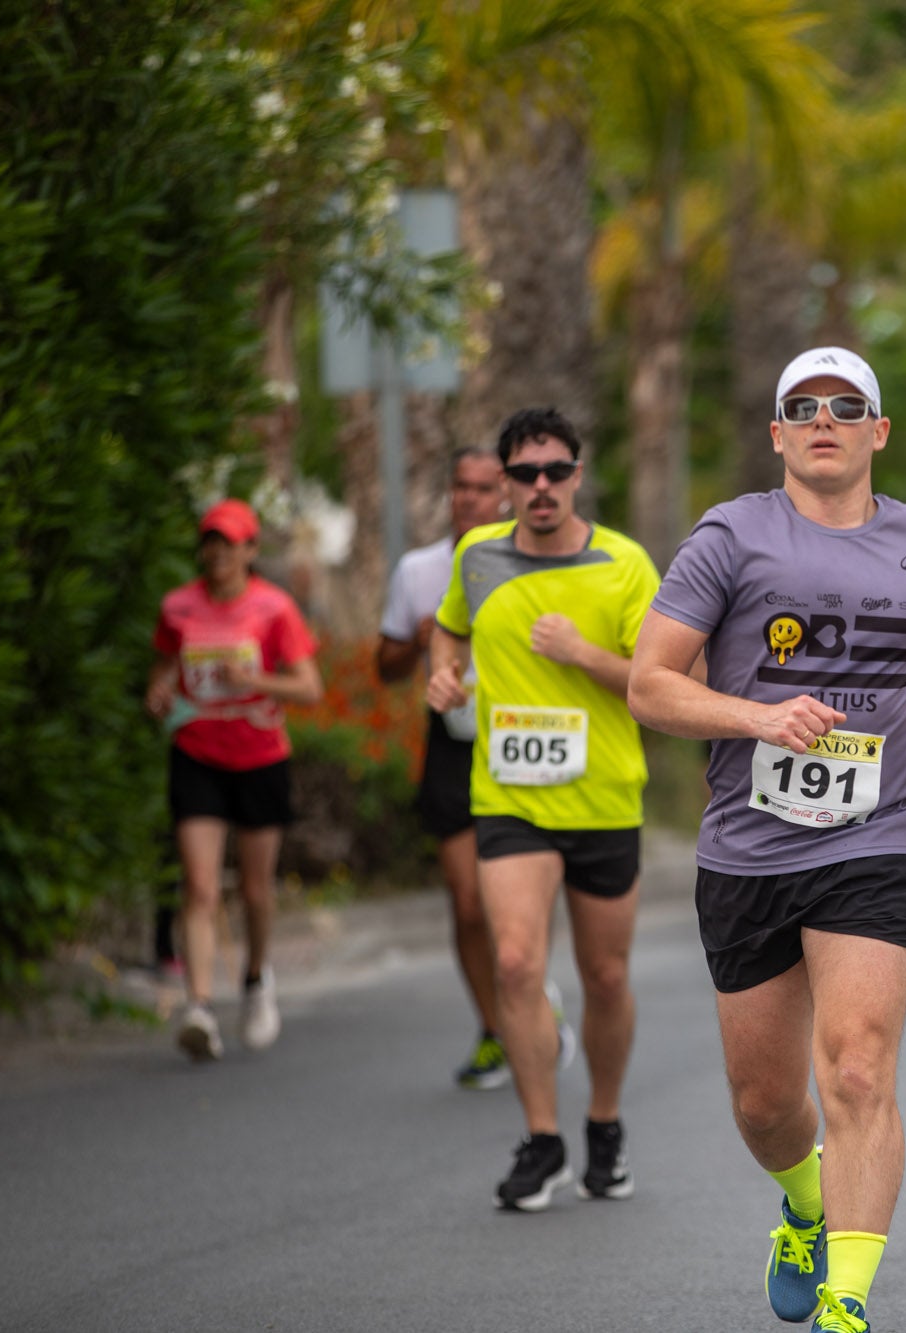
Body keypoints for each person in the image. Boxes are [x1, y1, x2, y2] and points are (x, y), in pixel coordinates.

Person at [628, 347, 906, 1333]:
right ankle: (803, 1199)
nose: (824, 418)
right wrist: (755, 718)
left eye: (847, 405)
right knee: (764, 1103)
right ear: (777, 433)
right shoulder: (730, 537)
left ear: (878, 430)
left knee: (855, 1066)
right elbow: (650, 684)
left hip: (875, 835)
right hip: (748, 847)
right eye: (803, 406)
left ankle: (846, 1304)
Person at [426, 407, 659, 1211]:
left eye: (555, 470)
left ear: (578, 474)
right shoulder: (476, 556)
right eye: (523, 475)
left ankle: (604, 1122)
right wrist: (443, 672)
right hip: (510, 798)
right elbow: (448, 629)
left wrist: (581, 653)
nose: (541, 487)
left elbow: (656, 682)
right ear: (503, 485)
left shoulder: (624, 564)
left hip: (602, 797)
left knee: (605, 974)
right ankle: (542, 1138)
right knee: (518, 962)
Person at [377, 446, 565, 1090]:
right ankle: (496, 1029)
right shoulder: (420, 569)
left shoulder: (540, 560)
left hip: (527, 736)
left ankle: (533, 991)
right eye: (460, 487)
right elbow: (384, 667)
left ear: (506, 496)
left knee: (521, 897)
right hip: (454, 742)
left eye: (483, 489)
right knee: (466, 904)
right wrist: (421, 639)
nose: (469, 499)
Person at [146, 499, 322, 1062]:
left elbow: (310, 688)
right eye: (210, 541)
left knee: (253, 890)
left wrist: (254, 679)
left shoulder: (274, 609)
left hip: (260, 756)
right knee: (199, 885)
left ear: (250, 550)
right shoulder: (178, 607)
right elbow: (165, 665)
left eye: (230, 542)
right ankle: (199, 1006)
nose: (218, 552)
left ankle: (254, 978)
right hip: (197, 752)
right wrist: (159, 691)